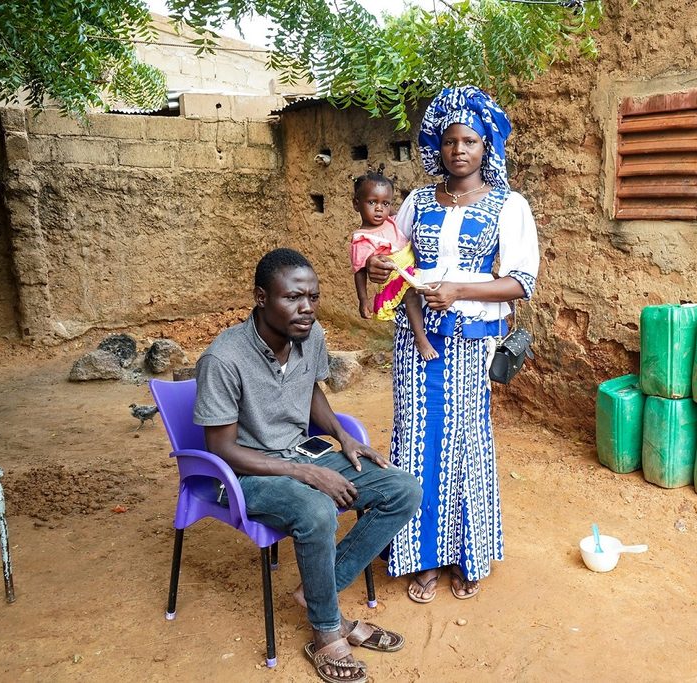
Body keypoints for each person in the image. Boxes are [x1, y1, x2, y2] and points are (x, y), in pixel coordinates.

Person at [193, 248, 421, 683]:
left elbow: (310, 390)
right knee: (316, 511)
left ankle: (319, 590)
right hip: (246, 472)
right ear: (261, 298)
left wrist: (342, 433)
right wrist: (304, 473)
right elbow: (221, 448)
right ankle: (327, 632)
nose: (307, 309)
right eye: (293, 298)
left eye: (313, 298)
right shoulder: (223, 358)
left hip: (302, 451)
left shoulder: (309, 336)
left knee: (403, 489)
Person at [366, 86, 539, 603]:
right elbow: (390, 259)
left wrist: (460, 289)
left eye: (469, 140)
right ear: (437, 148)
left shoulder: (510, 206)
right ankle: (421, 558)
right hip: (415, 342)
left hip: (468, 341)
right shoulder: (417, 202)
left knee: (465, 443)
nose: (458, 150)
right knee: (417, 443)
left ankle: (468, 554)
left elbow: (522, 282)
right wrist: (378, 266)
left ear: (486, 147)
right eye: (449, 141)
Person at [349, 167, 438, 361]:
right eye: (372, 202)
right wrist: (363, 300)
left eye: (385, 203)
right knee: (411, 296)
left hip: (411, 266)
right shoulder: (362, 238)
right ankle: (420, 339)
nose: (379, 208)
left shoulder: (391, 221)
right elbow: (359, 271)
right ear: (356, 204)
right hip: (396, 275)